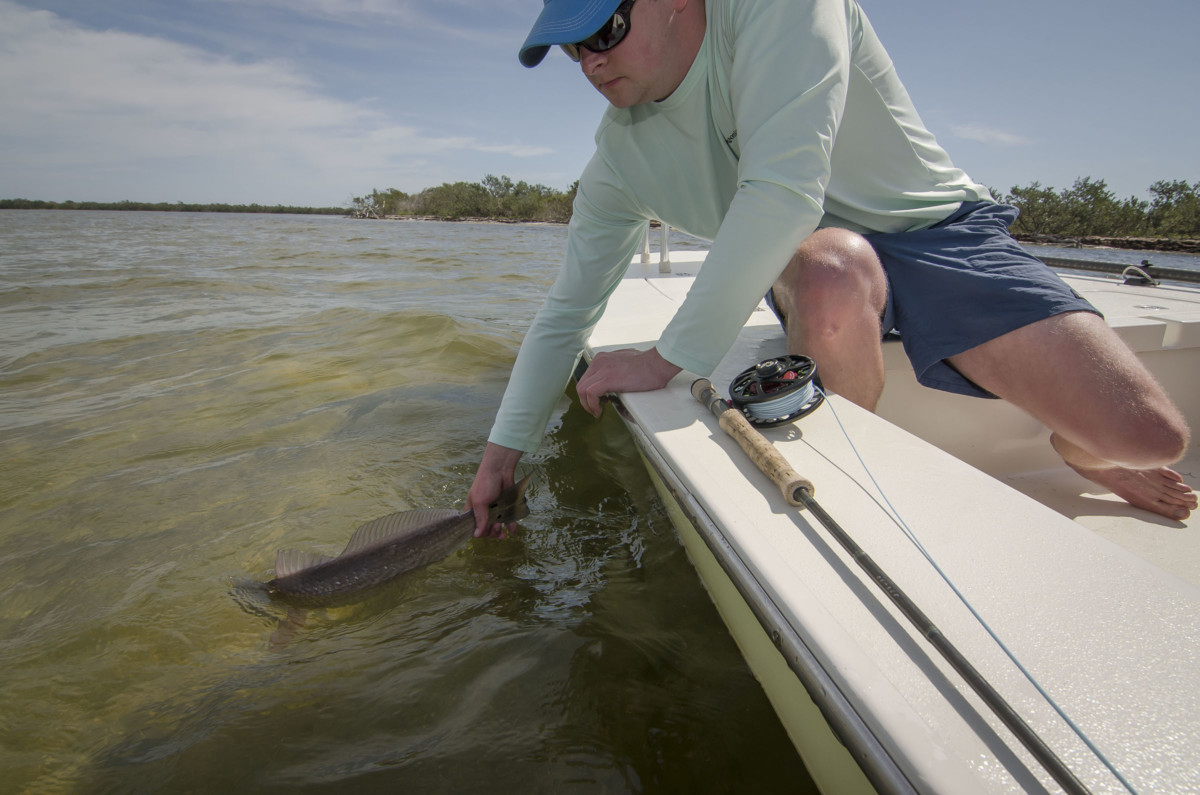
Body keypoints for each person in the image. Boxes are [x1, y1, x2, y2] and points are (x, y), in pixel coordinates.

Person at [467, 0, 1195, 534]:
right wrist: (502, 452)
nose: (591, 62)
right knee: (832, 262)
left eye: (605, 30)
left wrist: (667, 359)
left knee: (1151, 435)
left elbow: (781, 191)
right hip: (825, 263)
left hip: (939, 230)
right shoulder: (617, 162)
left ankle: (1078, 447)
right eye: (571, 49)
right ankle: (853, 501)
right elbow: (567, 312)